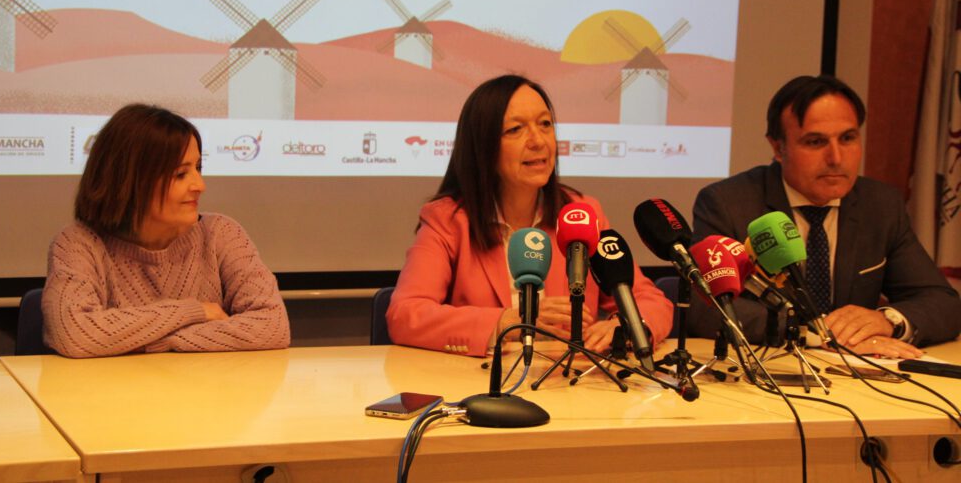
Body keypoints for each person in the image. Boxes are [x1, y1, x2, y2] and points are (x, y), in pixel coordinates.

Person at [386, 74, 673, 357]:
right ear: (482, 146)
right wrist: (508, 321)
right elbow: (405, 314)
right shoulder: (448, 221)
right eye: (515, 129)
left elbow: (649, 301)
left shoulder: (581, 215)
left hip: (567, 378)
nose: (538, 141)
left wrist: (628, 325)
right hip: (483, 379)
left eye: (545, 124)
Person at [691, 75, 961, 357]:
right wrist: (816, 335)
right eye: (815, 142)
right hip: (773, 366)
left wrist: (888, 321)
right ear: (778, 148)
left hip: (858, 371)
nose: (836, 158)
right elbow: (704, 308)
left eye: (848, 138)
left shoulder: (881, 205)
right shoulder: (729, 204)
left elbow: (943, 303)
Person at [42, 104, 291, 358]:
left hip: (206, 383)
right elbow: (75, 334)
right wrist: (196, 311)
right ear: (131, 181)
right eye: (181, 174)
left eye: (198, 168)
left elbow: (272, 326)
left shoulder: (221, 234)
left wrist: (160, 340)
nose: (200, 185)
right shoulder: (78, 244)